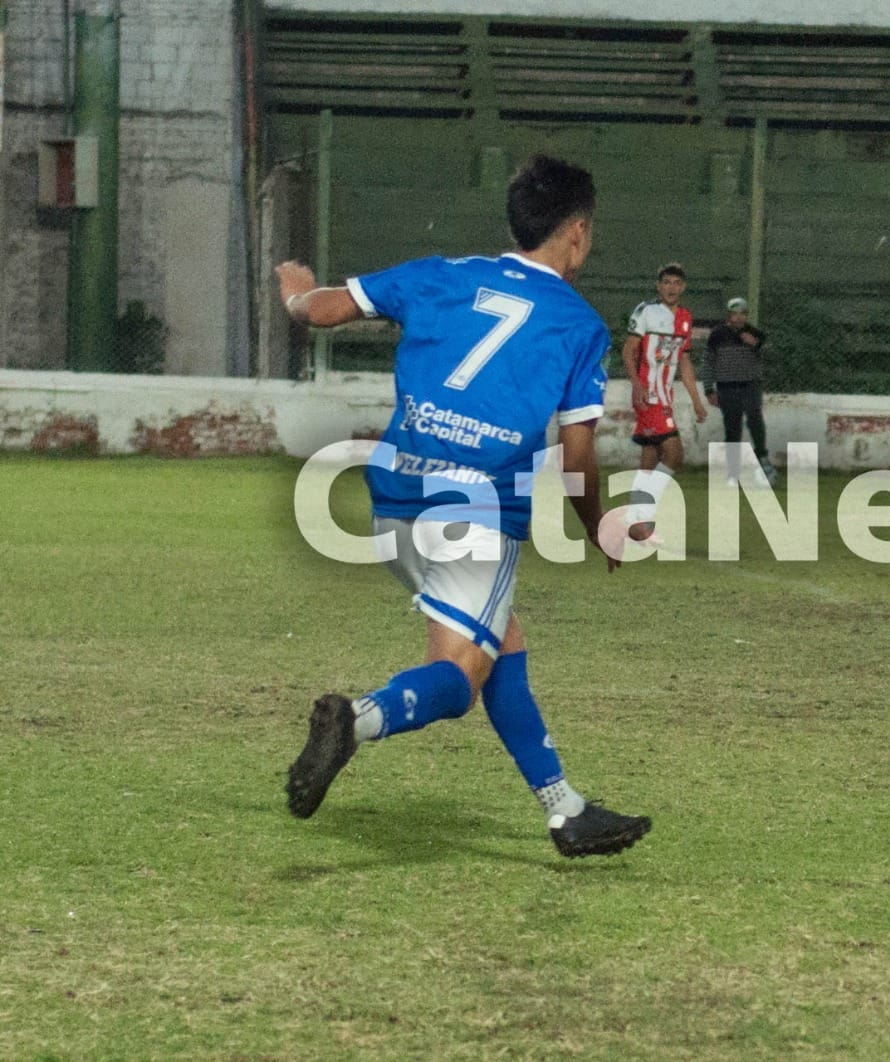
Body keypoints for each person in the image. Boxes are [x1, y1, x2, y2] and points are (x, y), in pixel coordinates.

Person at [274, 154, 651, 858]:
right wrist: (599, 529)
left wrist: (296, 293)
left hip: (393, 497)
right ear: (576, 232)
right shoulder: (579, 327)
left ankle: (565, 808)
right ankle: (355, 720)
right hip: (475, 513)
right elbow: (575, 458)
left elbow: (322, 310)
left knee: (504, 641)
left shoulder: (442, 275)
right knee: (460, 679)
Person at [622, 263, 707, 541]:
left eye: (677, 283)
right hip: (648, 394)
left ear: (683, 287)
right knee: (674, 453)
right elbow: (629, 349)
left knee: (650, 457)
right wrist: (636, 384)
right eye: (666, 282)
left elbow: (683, 360)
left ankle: (636, 524)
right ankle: (641, 515)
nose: (672, 288)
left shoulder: (685, 317)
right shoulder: (646, 311)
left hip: (665, 395)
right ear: (658, 286)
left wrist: (696, 399)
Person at [704, 296, 777, 487]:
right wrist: (708, 388)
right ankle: (733, 473)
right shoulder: (718, 334)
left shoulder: (755, 333)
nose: (739, 318)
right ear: (729, 315)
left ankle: (763, 462)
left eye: (743, 314)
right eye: (735, 314)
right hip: (727, 386)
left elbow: (772, 354)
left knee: (755, 421)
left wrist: (756, 345)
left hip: (750, 385)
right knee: (732, 427)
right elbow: (709, 362)